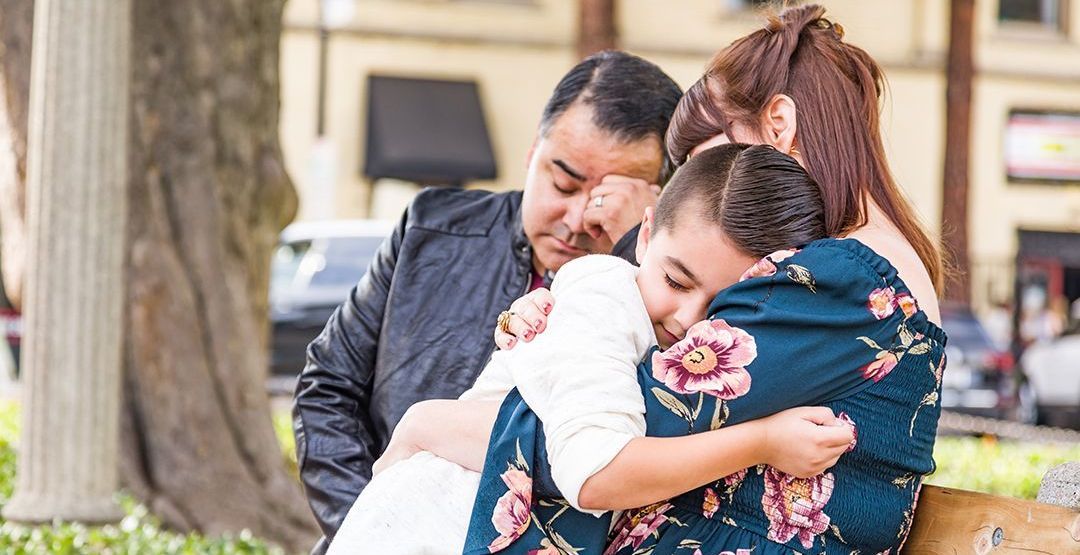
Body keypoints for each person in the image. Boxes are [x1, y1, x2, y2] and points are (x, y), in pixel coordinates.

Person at [489, 5, 947, 553]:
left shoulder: (840, 280)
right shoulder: (850, 273)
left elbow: (606, 436)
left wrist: (439, 422)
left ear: (778, 125)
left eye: (721, 162)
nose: (712, 194)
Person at [326, 144, 855, 555]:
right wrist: (762, 441)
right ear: (644, 237)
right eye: (675, 280)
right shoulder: (604, 294)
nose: (690, 319)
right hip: (433, 522)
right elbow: (594, 471)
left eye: (726, 304)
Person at [291, 50, 683, 551]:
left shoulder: (675, 298)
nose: (578, 216)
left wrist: (633, 248)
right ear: (531, 153)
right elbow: (328, 385)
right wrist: (378, 518)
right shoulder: (431, 228)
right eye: (562, 182)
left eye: (610, 197)